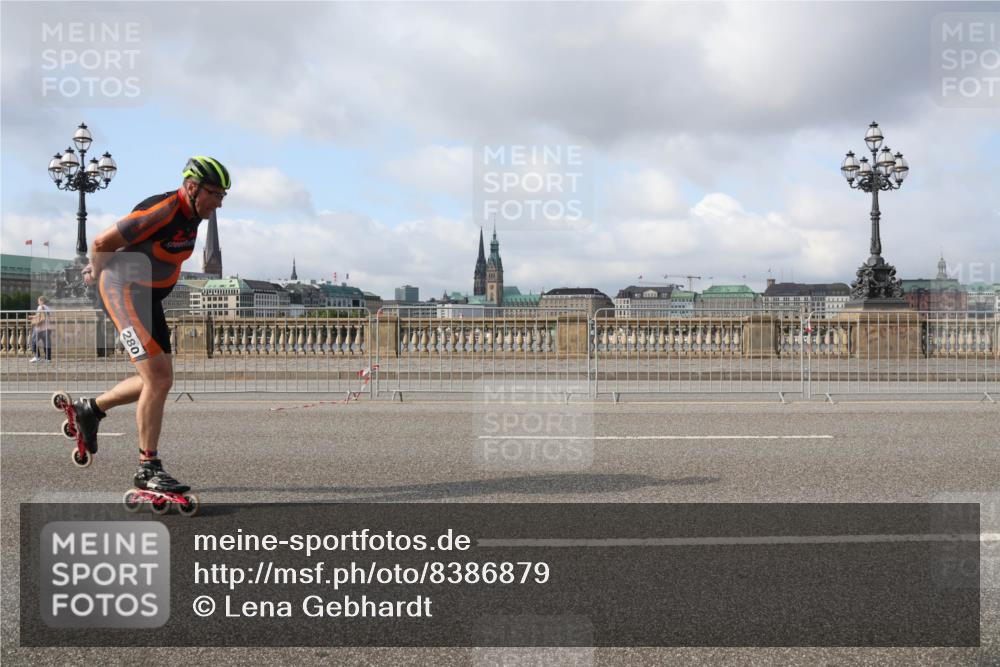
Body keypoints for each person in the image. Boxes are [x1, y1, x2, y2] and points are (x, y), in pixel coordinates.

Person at [77, 156, 230, 495]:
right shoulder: (163, 210)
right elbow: (102, 242)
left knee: (159, 378)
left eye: (223, 196)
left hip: (147, 299)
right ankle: (148, 468)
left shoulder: (195, 215)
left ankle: (90, 409)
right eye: (215, 194)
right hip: (123, 293)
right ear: (192, 188)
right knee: (158, 378)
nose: (219, 202)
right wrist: (96, 271)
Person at [29, 295, 52, 363]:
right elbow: (47, 316)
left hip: (39, 328)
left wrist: (32, 317)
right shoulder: (48, 308)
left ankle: (37, 357)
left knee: (33, 341)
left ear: (42, 301)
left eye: (38, 300)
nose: (38, 302)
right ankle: (48, 359)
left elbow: (39, 317)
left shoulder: (40, 307)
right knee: (47, 343)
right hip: (47, 327)